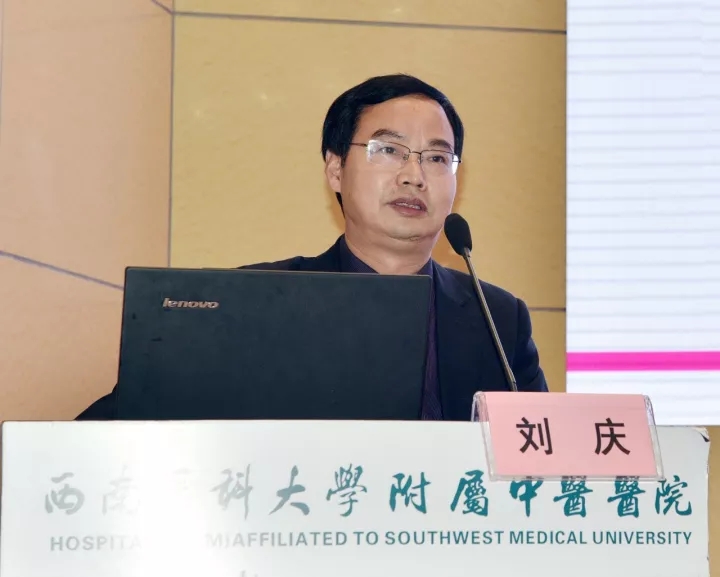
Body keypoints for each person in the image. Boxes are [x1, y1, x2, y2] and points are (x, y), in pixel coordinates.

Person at [77, 73, 547, 421]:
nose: (414, 175)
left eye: (438, 158)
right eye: (388, 150)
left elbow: (548, 459)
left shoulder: (497, 319)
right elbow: (106, 433)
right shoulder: (249, 303)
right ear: (336, 170)